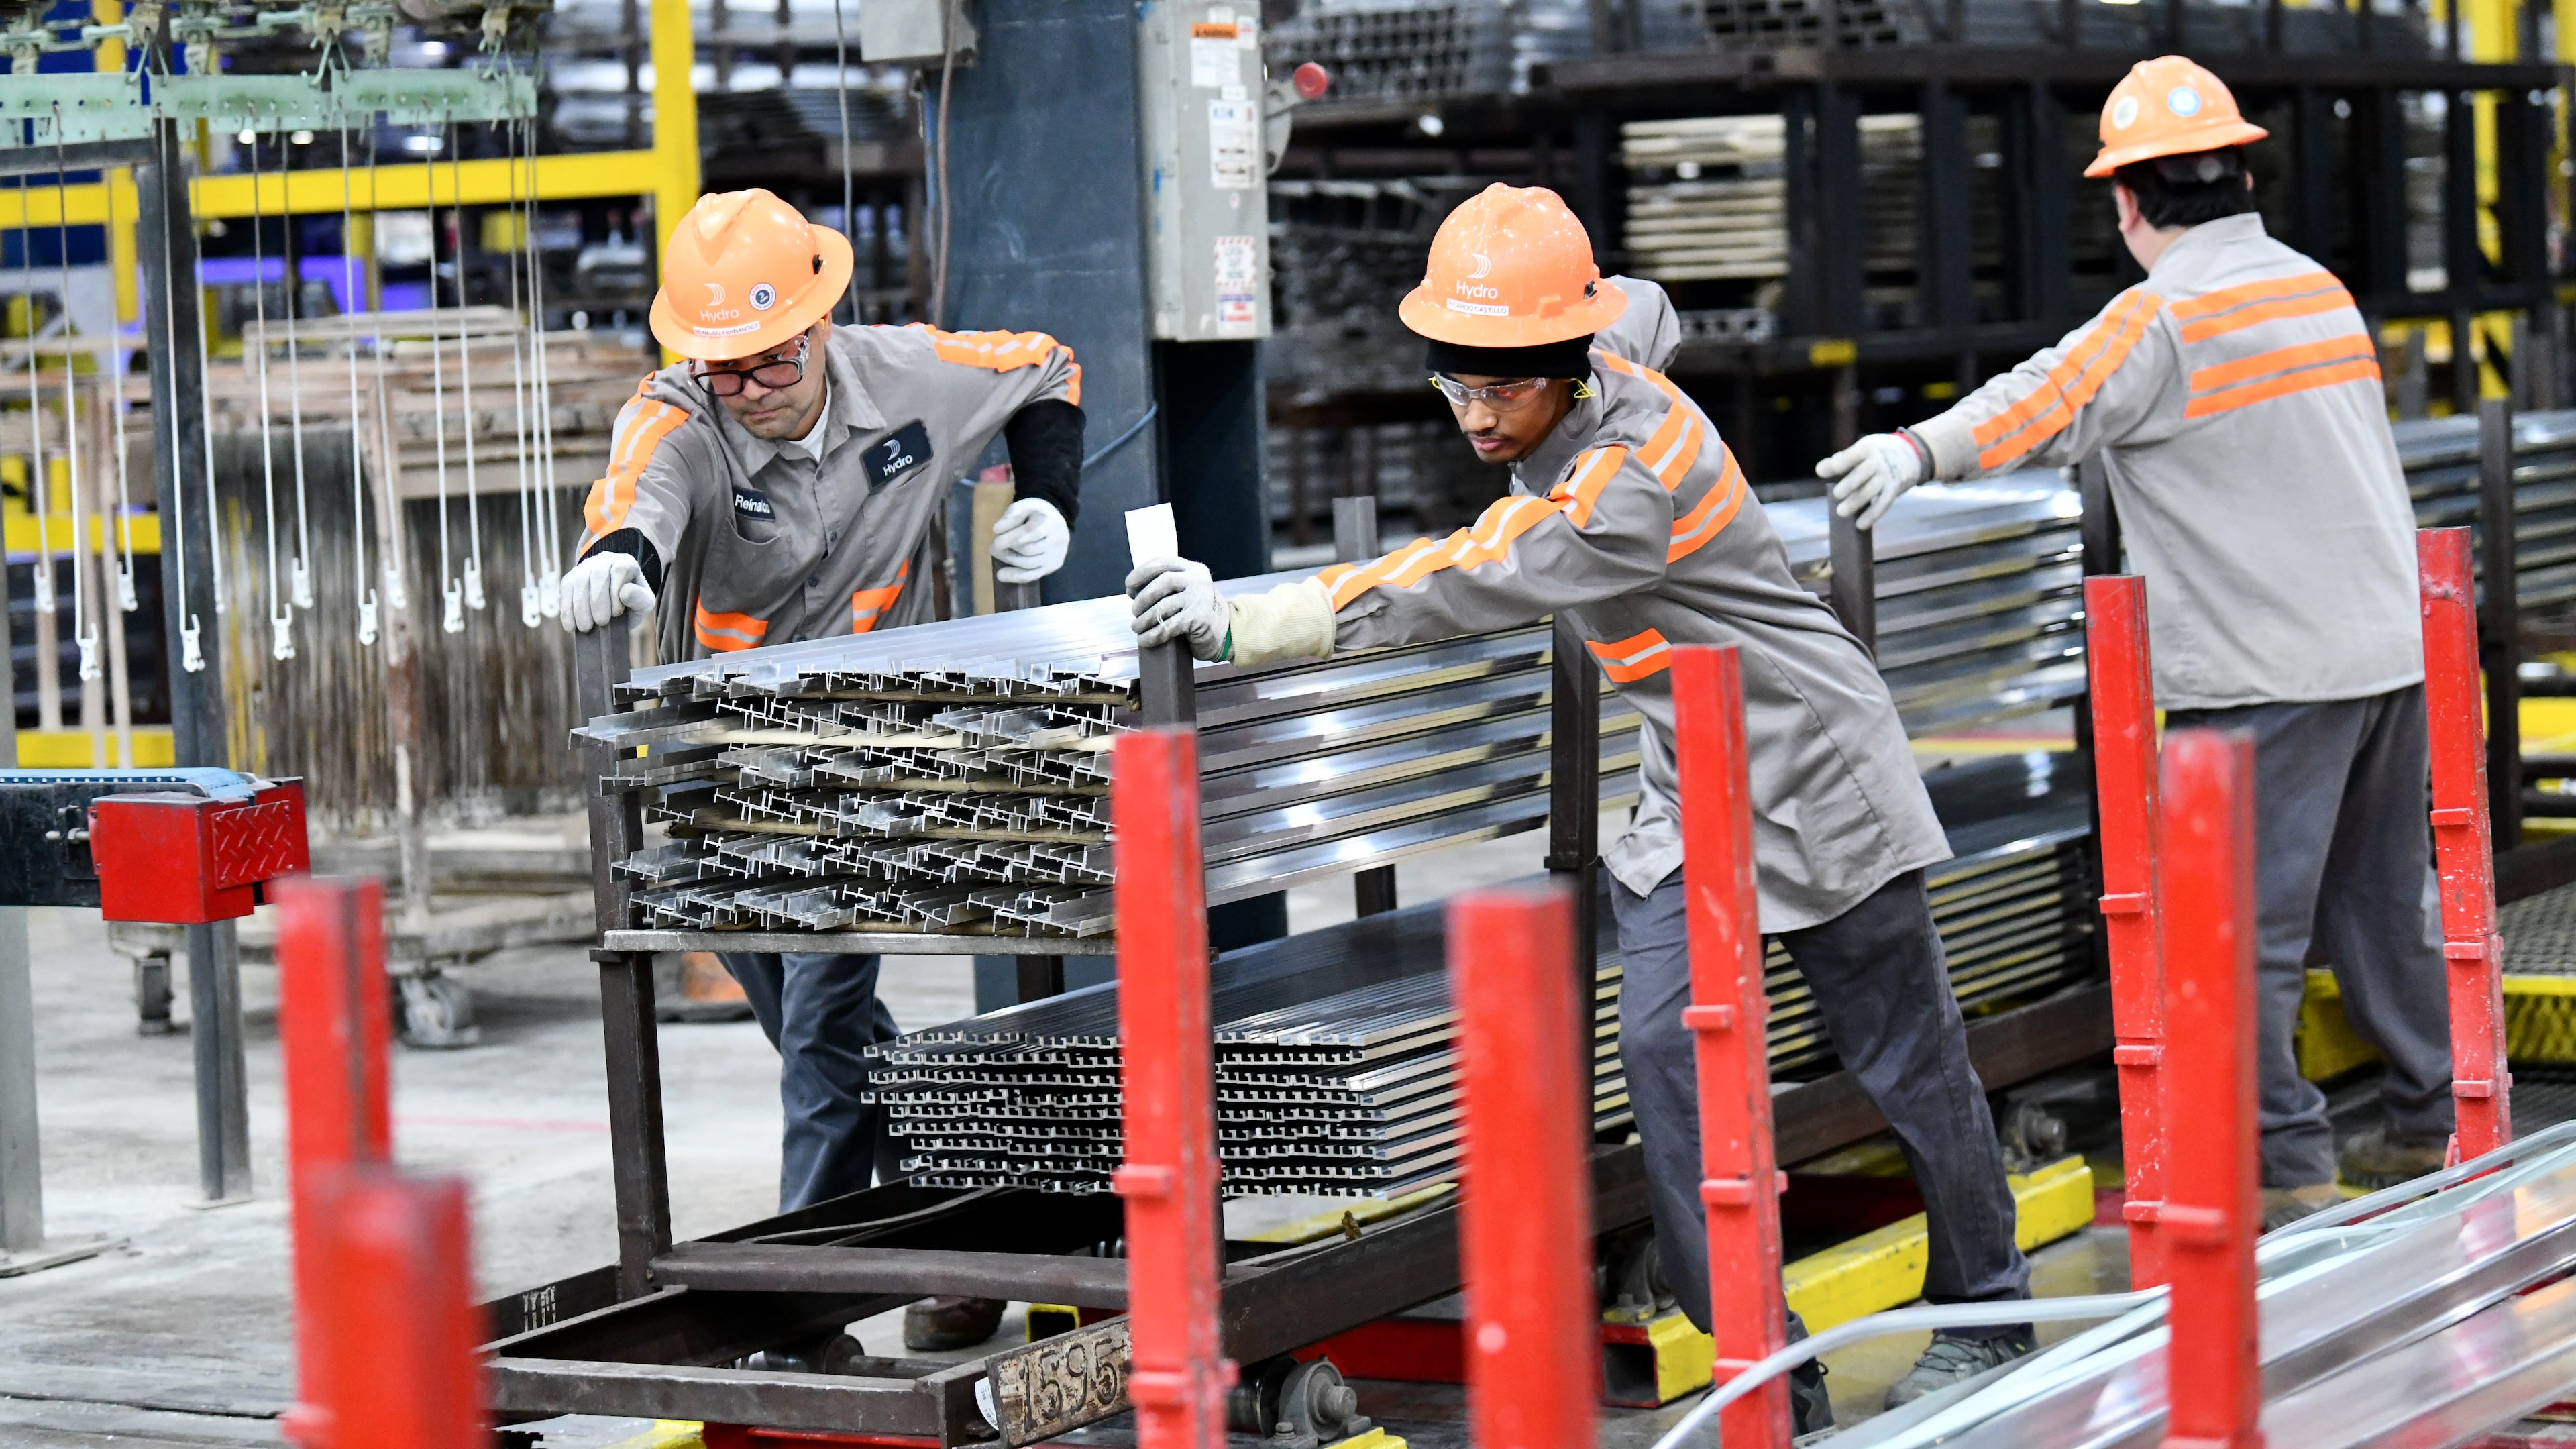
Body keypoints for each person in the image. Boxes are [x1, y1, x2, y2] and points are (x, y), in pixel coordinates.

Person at [1126, 183, 2035, 1419]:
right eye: (1457, 385)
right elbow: (1648, 306)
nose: (1477, 415)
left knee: (1906, 1056)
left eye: (1504, 389)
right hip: (1687, 773)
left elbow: (1475, 571)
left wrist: (1256, 617)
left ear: (1567, 363)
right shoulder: (1601, 342)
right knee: (1665, 1047)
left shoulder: (1625, 491)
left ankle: (1991, 1309)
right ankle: (1765, 1365)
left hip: (1811, 761)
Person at [1815, 55, 2453, 1226]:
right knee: (2383, 906)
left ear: (2124, 201)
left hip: (2269, 676)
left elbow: (2047, 395)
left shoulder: (2163, 316)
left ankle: (2288, 1172)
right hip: (2389, 656)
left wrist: (1915, 452)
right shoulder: (2314, 286)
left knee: (2237, 934)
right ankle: (2436, 1129)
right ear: (2242, 173)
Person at [566, 187, 1085, 1352]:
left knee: (820, 1033)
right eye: (720, 368)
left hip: (868, 764)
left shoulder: (910, 375)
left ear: (814, 327)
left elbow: (1048, 364)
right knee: (820, 1027)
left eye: (764, 363)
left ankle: (801, 1306)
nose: (742, 388)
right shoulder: (684, 414)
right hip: (722, 776)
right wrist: (620, 558)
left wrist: (1049, 496)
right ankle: (979, 1213)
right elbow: (635, 488)